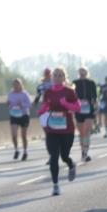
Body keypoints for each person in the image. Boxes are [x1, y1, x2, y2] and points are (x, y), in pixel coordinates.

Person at [38, 67, 80, 196]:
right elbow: (45, 104)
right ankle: (55, 185)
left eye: (60, 75)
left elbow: (77, 107)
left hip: (67, 129)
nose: (57, 77)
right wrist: (43, 110)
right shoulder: (48, 92)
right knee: (54, 156)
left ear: (64, 78)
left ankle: (71, 164)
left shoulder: (69, 92)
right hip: (52, 129)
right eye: (55, 75)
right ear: (52, 78)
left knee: (64, 156)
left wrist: (66, 104)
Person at [73, 67, 97, 162]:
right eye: (81, 72)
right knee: (81, 132)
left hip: (89, 108)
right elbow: (72, 95)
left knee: (87, 131)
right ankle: (82, 150)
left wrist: (95, 106)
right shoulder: (74, 83)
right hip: (78, 109)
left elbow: (95, 96)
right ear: (78, 73)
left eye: (84, 72)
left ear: (87, 73)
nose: (82, 73)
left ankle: (85, 152)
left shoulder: (91, 83)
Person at [8, 78, 32, 160]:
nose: (15, 86)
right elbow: (9, 103)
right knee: (14, 135)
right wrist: (9, 104)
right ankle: (16, 150)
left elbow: (29, 104)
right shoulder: (11, 94)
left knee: (23, 135)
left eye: (17, 84)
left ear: (20, 85)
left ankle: (25, 151)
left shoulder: (24, 94)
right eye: (14, 84)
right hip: (14, 115)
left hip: (24, 115)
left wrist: (22, 105)